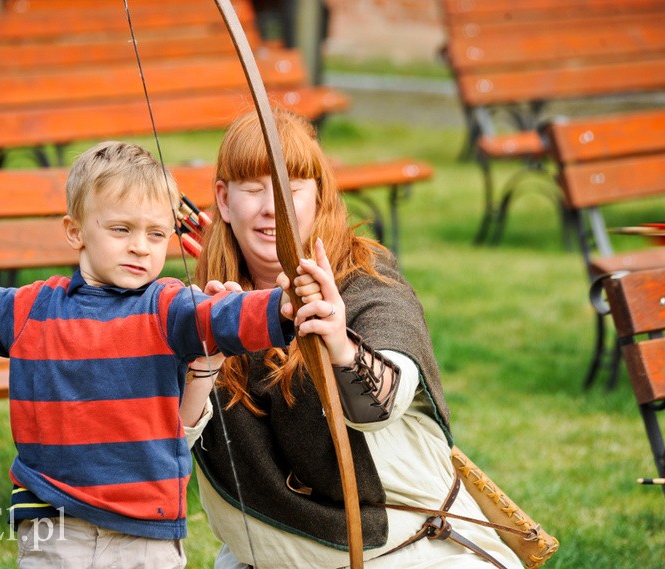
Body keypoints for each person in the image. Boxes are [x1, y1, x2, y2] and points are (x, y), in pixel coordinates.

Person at [0, 141, 323, 569]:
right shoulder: (31, 309)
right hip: (54, 518)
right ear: (75, 230)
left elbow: (220, 317)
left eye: (156, 234)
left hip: (144, 530)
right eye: (121, 229)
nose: (140, 246)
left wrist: (280, 305)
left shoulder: (168, 307)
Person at [183, 110, 524, 568]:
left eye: (289, 189)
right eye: (252, 188)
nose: (271, 208)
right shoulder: (197, 305)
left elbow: (382, 402)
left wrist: (340, 346)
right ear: (223, 200)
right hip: (269, 553)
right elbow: (154, 443)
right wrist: (204, 357)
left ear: (317, 196)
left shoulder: (367, 278)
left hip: (413, 548)